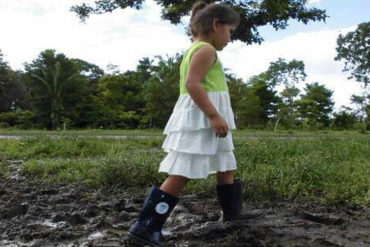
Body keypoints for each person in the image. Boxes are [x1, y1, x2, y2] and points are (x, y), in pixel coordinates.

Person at [123, 1, 263, 246]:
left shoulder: (197, 48)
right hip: (202, 118)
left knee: (225, 163)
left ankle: (233, 214)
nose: (230, 38)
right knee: (182, 172)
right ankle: (145, 228)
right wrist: (213, 116)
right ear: (216, 25)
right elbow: (192, 84)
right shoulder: (206, 50)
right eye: (230, 31)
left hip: (207, 117)